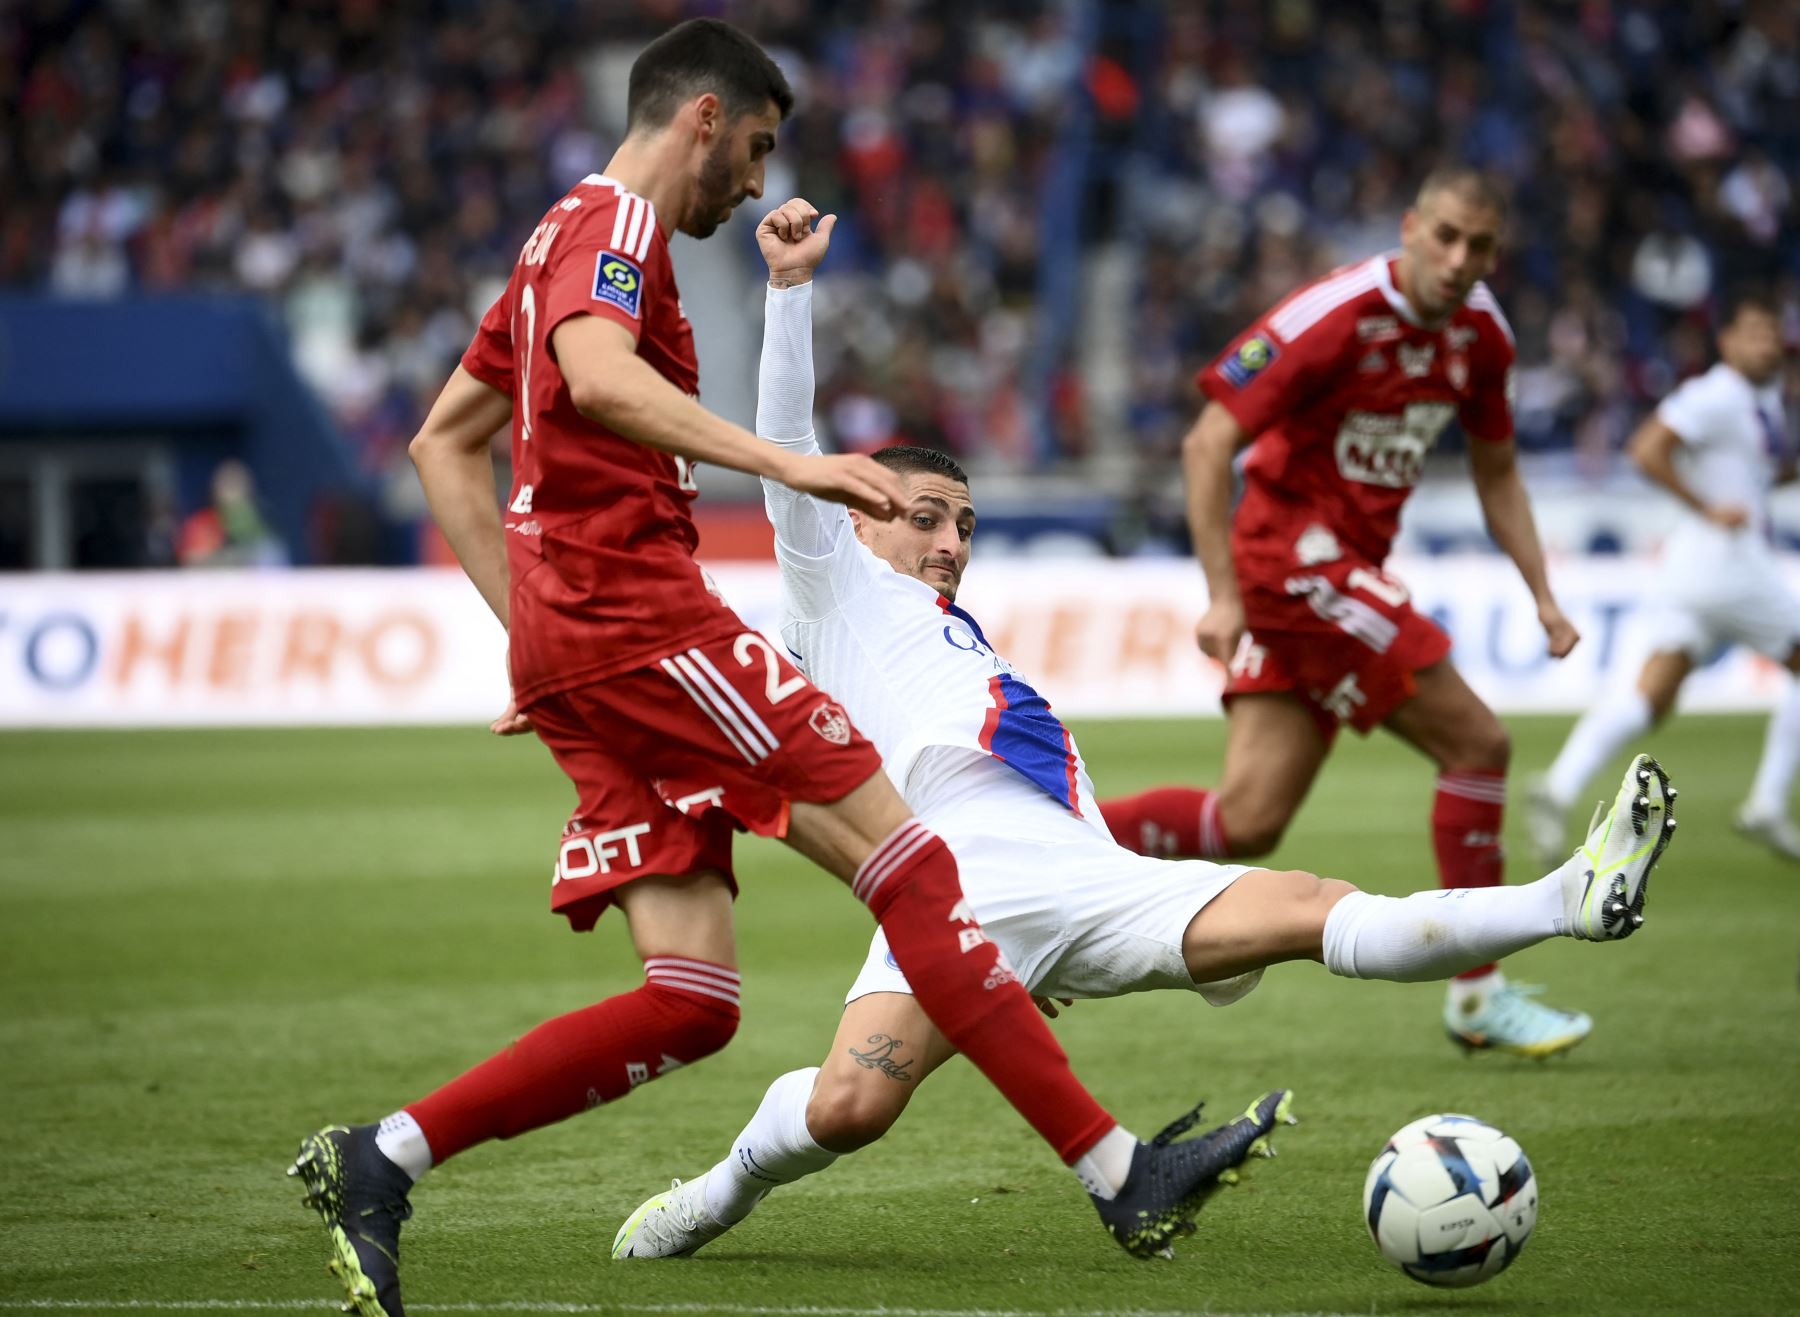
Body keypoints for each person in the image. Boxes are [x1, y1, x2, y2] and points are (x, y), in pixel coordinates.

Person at [286, 22, 1281, 1317]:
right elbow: (593, 381)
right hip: (648, 619)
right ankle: (1118, 1171)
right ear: (702, 116)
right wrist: (790, 466)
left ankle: (383, 1157)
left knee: (691, 1001)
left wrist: (533, 642)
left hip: (585, 640)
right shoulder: (619, 233)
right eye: (755, 149)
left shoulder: (542, 245)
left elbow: (440, 444)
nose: (754, 181)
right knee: (915, 863)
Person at [605, 199, 1676, 1261]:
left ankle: (1567, 899)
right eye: (924, 516)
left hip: (1083, 877)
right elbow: (786, 442)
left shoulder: (950, 625)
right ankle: (716, 1195)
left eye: (964, 525)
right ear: (858, 511)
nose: (949, 541)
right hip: (962, 879)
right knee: (849, 1109)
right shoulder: (834, 587)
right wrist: (789, 292)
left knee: (1311, 905)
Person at [1097, 167, 1594, 1059]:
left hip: (1340, 570)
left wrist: (1543, 593)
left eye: (1479, 247)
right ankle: (1479, 993)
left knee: (1244, 821)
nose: (1457, 260)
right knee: (1479, 745)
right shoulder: (1331, 314)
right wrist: (1221, 594)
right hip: (1291, 565)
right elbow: (1208, 441)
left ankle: (1042, 840)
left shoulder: (1483, 335)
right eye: (1443, 236)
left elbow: (1497, 470)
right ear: (1408, 226)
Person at [1529, 293, 1798, 864]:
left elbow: (1756, 475)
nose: (1766, 345)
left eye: (1772, 334)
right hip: (1729, 560)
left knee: (1651, 697)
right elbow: (1647, 448)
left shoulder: (1762, 399)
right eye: (1753, 333)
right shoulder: (1716, 392)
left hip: (1692, 568)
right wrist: (1707, 506)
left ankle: (1559, 784)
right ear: (1725, 342)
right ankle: (1768, 803)